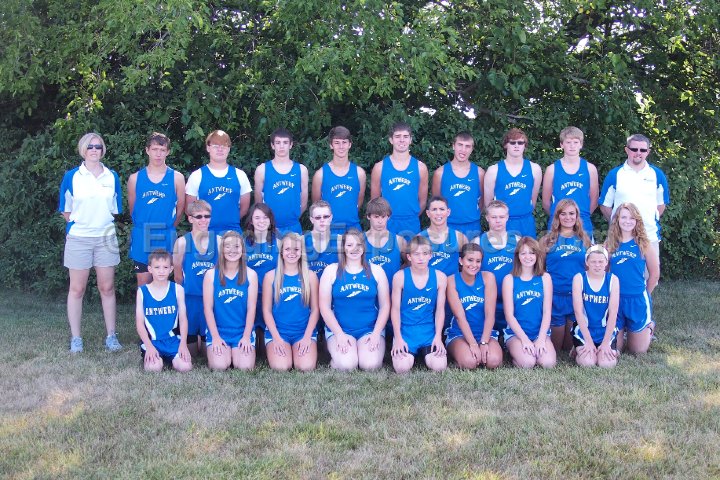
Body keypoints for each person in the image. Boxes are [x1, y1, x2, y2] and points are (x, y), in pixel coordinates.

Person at [59, 132, 123, 353]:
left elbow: (114, 209)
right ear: (83, 149)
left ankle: (111, 336)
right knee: (77, 289)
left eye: (98, 146)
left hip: (106, 237)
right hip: (79, 238)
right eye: (90, 146)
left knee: (107, 287)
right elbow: (65, 210)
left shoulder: (112, 176)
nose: (94, 150)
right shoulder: (71, 176)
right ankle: (76, 338)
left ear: (102, 149)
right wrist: (83, 225)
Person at [319, 229, 391, 371]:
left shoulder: (376, 271)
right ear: (343, 247)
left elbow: (385, 306)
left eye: (358, 245)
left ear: (364, 247)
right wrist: (339, 334)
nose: (354, 249)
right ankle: (338, 357)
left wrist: (376, 333)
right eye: (349, 245)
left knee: (370, 366)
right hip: (341, 329)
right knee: (347, 365)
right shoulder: (331, 271)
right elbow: (324, 307)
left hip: (369, 330)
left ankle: (362, 353)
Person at [600, 134, 670, 274]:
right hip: (618, 238)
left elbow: (661, 205)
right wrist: (619, 223)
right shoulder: (615, 174)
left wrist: (646, 221)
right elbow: (605, 205)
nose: (638, 153)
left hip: (649, 236)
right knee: (613, 278)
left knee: (649, 277)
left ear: (648, 152)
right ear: (627, 150)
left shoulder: (657, 175)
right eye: (634, 149)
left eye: (643, 150)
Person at [127, 132, 185, 287]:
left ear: (168, 152)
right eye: (154, 149)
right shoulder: (135, 178)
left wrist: (170, 226)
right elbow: (133, 209)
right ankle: (142, 305)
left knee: (163, 281)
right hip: (142, 234)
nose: (158, 154)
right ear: (147, 150)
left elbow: (180, 208)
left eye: (162, 150)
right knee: (143, 282)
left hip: (165, 234)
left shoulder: (177, 178)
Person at [605, 202, 659, 354]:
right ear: (617, 219)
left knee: (637, 351)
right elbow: (604, 271)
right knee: (615, 349)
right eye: (624, 217)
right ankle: (623, 330)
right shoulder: (610, 244)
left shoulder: (643, 244)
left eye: (631, 218)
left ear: (637, 221)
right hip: (615, 299)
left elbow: (654, 274)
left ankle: (649, 327)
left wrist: (645, 294)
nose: (627, 221)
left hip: (636, 299)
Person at [262, 233, 320, 371]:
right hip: (278, 331)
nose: (292, 253)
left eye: (296, 249)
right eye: (287, 249)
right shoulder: (270, 276)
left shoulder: (310, 276)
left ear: (301, 252)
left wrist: (307, 337)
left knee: (306, 366)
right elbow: (266, 310)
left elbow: (315, 310)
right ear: (281, 252)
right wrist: (276, 338)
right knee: (281, 367)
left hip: (303, 331)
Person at [390, 236, 448, 373]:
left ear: (430, 255)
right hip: (406, 332)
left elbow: (440, 310)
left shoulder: (440, 277)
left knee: (439, 366)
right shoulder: (400, 277)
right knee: (402, 367)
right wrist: (398, 338)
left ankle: (426, 353)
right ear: (409, 257)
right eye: (416, 254)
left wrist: (438, 337)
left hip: (428, 332)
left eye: (425, 253)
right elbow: (395, 309)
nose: (421, 258)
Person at [540, 199, 591, 352]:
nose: (568, 217)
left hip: (576, 295)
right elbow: (539, 268)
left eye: (571, 213)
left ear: (577, 216)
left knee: (569, 346)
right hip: (555, 295)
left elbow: (590, 268)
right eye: (563, 214)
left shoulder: (585, 239)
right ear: (557, 216)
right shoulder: (547, 240)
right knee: (556, 347)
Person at [203, 231, 258, 371]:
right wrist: (215, 337)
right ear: (222, 250)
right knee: (219, 366)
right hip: (219, 331)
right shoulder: (211, 275)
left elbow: (252, 308)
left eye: (236, 246)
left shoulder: (251, 274)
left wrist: (246, 336)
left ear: (242, 249)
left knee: (245, 367)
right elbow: (208, 308)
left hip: (241, 331)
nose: (232, 250)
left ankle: (235, 351)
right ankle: (227, 352)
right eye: (227, 246)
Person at [172, 200, 221, 357]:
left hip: (211, 300)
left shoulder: (219, 241)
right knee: (191, 353)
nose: (203, 220)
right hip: (190, 300)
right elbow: (178, 276)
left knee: (210, 354)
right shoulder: (181, 243)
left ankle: (205, 338)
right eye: (199, 216)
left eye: (207, 216)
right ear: (190, 218)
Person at [445, 243, 502, 369]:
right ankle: (459, 355)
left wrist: (484, 342)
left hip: (484, 332)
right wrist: (473, 344)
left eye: (478, 261)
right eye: (470, 260)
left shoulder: (488, 278)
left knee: (493, 361)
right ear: (461, 260)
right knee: (469, 362)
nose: (474, 265)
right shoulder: (451, 281)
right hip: (459, 333)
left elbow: (490, 314)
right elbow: (460, 317)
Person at [502, 237, 556, 368]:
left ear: (537, 255)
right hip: (516, 334)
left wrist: (541, 339)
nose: (528, 257)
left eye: (532, 253)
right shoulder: (509, 279)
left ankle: (535, 348)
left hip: (539, 332)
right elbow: (509, 315)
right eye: (523, 253)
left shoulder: (545, 278)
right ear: (518, 256)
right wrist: (525, 340)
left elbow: (547, 312)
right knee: (527, 363)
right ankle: (514, 352)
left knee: (548, 363)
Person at [135, 249, 192, 372]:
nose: (161, 271)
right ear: (150, 269)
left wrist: (183, 344)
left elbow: (183, 319)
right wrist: (149, 346)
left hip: (172, 340)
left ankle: (170, 358)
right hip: (153, 341)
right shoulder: (142, 292)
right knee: (153, 368)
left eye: (165, 267)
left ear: (171, 269)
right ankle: (157, 357)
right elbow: (139, 323)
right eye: (157, 267)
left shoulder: (178, 289)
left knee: (185, 367)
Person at [185, 130, 252, 233]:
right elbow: (189, 209)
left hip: (232, 232)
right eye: (216, 146)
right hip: (204, 233)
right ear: (208, 148)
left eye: (224, 146)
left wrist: (229, 221)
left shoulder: (240, 175)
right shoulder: (197, 176)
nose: (220, 149)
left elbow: (244, 208)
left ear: (229, 149)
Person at [370, 122, 429, 237]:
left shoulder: (420, 167)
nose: (402, 140)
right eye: (397, 136)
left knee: (412, 250)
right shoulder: (379, 167)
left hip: (411, 223)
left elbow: (422, 202)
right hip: (387, 222)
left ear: (410, 140)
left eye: (405, 136)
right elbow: (375, 202)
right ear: (391, 140)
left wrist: (410, 215)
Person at [474, 200, 518, 343]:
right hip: (486, 300)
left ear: (507, 217)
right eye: (494, 217)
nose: (498, 220)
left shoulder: (518, 241)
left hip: (511, 300)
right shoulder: (477, 242)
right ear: (487, 218)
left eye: (501, 217)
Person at [484, 128, 542, 238]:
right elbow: (488, 204)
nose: (516, 146)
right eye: (512, 142)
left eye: (520, 143)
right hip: (503, 223)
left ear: (525, 146)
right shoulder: (493, 170)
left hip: (526, 222)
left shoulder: (535, 169)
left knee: (528, 249)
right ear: (506, 145)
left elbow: (533, 200)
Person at [541, 126, 599, 237]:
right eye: (568, 142)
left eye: (576, 142)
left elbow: (594, 200)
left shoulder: (590, 169)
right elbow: (546, 202)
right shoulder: (552, 169)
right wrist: (560, 216)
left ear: (581, 144)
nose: (572, 146)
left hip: (583, 222)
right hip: (557, 223)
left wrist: (578, 216)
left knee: (585, 249)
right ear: (562, 145)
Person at [571, 245, 620, 368]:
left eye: (600, 261)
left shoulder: (613, 280)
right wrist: (588, 342)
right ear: (587, 262)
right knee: (587, 363)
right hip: (584, 329)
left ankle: (608, 349)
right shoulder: (579, 278)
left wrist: (605, 344)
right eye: (593, 261)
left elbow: (613, 313)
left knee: (607, 364)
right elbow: (578, 312)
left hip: (604, 330)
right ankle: (578, 348)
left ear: (606, 262)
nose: (597, 265)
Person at [311, 126, 366, 232]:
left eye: (344, 142)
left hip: (353, 228)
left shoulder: (359, 173)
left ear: (350, 144)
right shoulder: (320, 174)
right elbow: (316, 206)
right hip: (328, 229)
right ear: (331, 145)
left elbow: (358, 201)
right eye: (337, 143)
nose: (341, 147)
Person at [254, 128, 308, 234]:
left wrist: (291, 218)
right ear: (272, 145)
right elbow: (259, 203)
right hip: (269, 228)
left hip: (293, 226)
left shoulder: (301, 170)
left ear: (291, 145)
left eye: (285, 142)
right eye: (278, 143)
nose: (281, 146)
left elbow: (304, 202)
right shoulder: (262, 169)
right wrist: (266, 221)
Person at [431, 132, 485, 239]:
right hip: (447, 225)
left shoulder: (479, 173)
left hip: (472, 226)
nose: (463, 150)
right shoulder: (440, 173)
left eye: (467, 146)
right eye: (460, 145)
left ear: (472, 149)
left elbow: (483, 200)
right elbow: (436, 202)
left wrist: (472, 215)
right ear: (453, 146)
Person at [244, 203, 280, 337]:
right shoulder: (242, 242)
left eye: (265, 217)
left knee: (268, 340)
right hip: (250, 296)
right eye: (257, 217)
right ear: (251, 221)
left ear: (270, 220)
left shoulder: (280, 241)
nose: (262, 221)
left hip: (272, 297)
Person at [364, 197, 406, 294]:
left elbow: (409, 263)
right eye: (376, 217)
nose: (380, 221)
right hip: (368, 294)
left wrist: (397, 272)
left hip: (392, 292)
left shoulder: (399, 241)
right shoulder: (360, 241)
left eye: (383, 217)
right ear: (368, 216)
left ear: (388, 217)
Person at [419, 196, 467, 278]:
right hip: (429, 283)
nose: (438, 213)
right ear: (428, 213)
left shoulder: (459, 237)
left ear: (448, 212)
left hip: (451, 284)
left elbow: (467, 264)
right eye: (434, 209)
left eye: (442, 209)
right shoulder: (420, 238)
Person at [304, 200, 342, 278]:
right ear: (311, 219)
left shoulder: (340, 241)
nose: (322, 220)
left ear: (331, 217)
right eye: (318, 217)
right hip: (308, 284)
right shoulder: (301, 241)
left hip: (332, 284)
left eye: (326, 217)